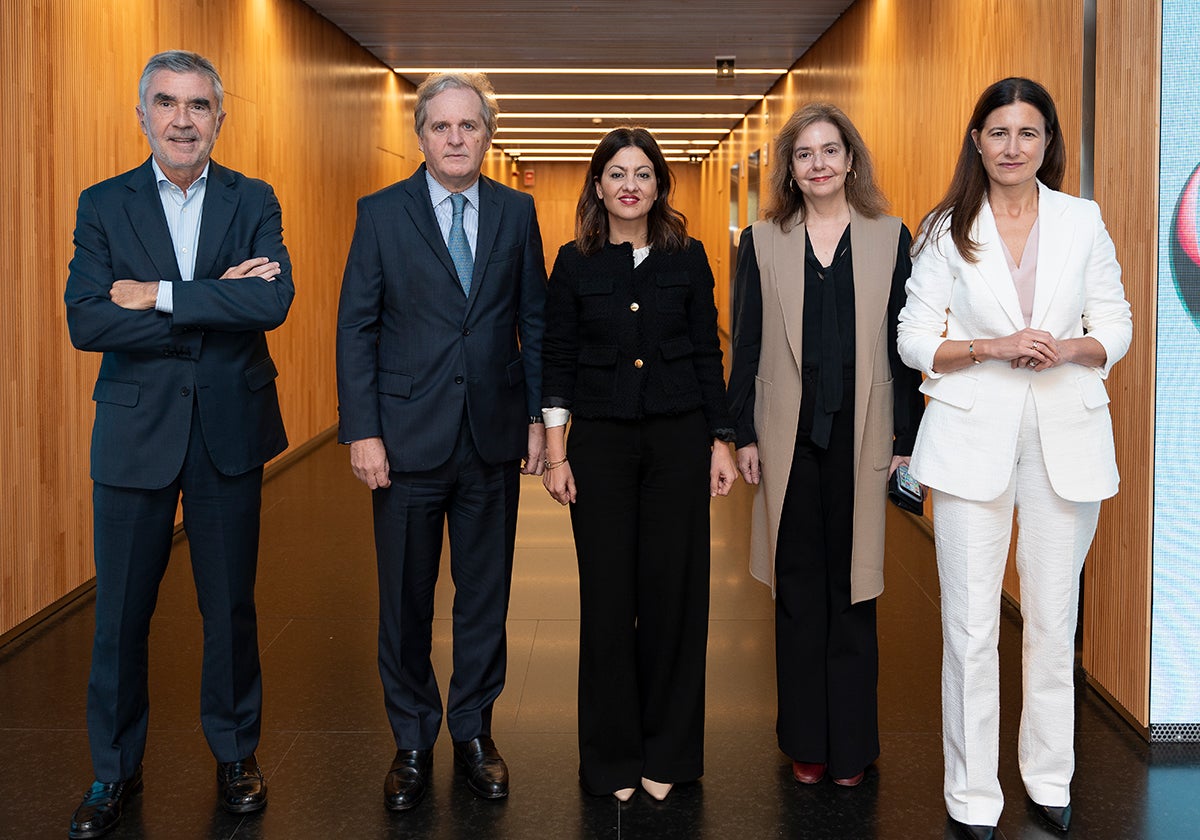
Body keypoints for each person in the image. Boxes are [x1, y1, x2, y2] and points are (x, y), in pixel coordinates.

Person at [63, 50, 293, 838]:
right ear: (143, 115)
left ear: (220, 118)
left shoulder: (254, 198)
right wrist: (214, 296)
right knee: (120, 615)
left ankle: (236, 754)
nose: (182, 119)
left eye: (198, 105)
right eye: (166, 103)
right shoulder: (104, 204)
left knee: (229, 606)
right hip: (135, 432)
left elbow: (272, 303)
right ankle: (112, 774)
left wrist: (156, 295)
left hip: (229, 428)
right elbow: (88, 319)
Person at [897, 78, 1132, 840]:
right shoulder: (944, 228)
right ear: (977, 141)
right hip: (972, 437)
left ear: (1048, 144)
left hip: (1067, 434)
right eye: (999, 132)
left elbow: (1117, 321)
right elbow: (913, 337)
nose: (1012, 147)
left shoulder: (1081, 220)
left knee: (1051, 621)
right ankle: (971, 795)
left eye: (1028, 134)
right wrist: (989, 347)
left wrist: (1071, 347)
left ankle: (1049, 777)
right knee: (968, 628)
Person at [336, 72, 547, 812]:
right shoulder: (381, 214)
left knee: (485, 599)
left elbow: (534, 320)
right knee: (405, 601)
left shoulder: (518, 213)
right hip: (403, 440)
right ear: (420, 134)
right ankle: (413, 739)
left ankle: (475, 732)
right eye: (441, 127)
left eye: (470, 127)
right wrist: (361, 428)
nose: (456, 140)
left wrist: (538, 420)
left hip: (491, 438)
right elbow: (357, 326)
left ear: (488, 135)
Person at [727, 103, 924, 789]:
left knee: (855, 588)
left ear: (850, 159)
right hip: (788, 438)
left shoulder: (890, 236)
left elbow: (906, 348)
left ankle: (854, 745)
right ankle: (807, 741)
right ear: (790, 167)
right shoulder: (762, 238)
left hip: (863, 433)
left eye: (829, 150)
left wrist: (907, 435)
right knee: (798, 588)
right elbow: (745, 341)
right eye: (804, 154)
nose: (818, 164)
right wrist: (741, 432)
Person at [541, 127, 737, 802]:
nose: (630, 185)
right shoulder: (573, 263)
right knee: (607, 601)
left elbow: (710, 355)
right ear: (597, 186)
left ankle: (670, 754)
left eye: (644, 173)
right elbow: (557, 361)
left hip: (678, 442)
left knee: (674, 598)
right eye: (617, 173)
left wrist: (722, 439)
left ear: (660, 186)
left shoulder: (690, 258)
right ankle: (610, 758)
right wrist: (556, 453)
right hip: (598, 446)